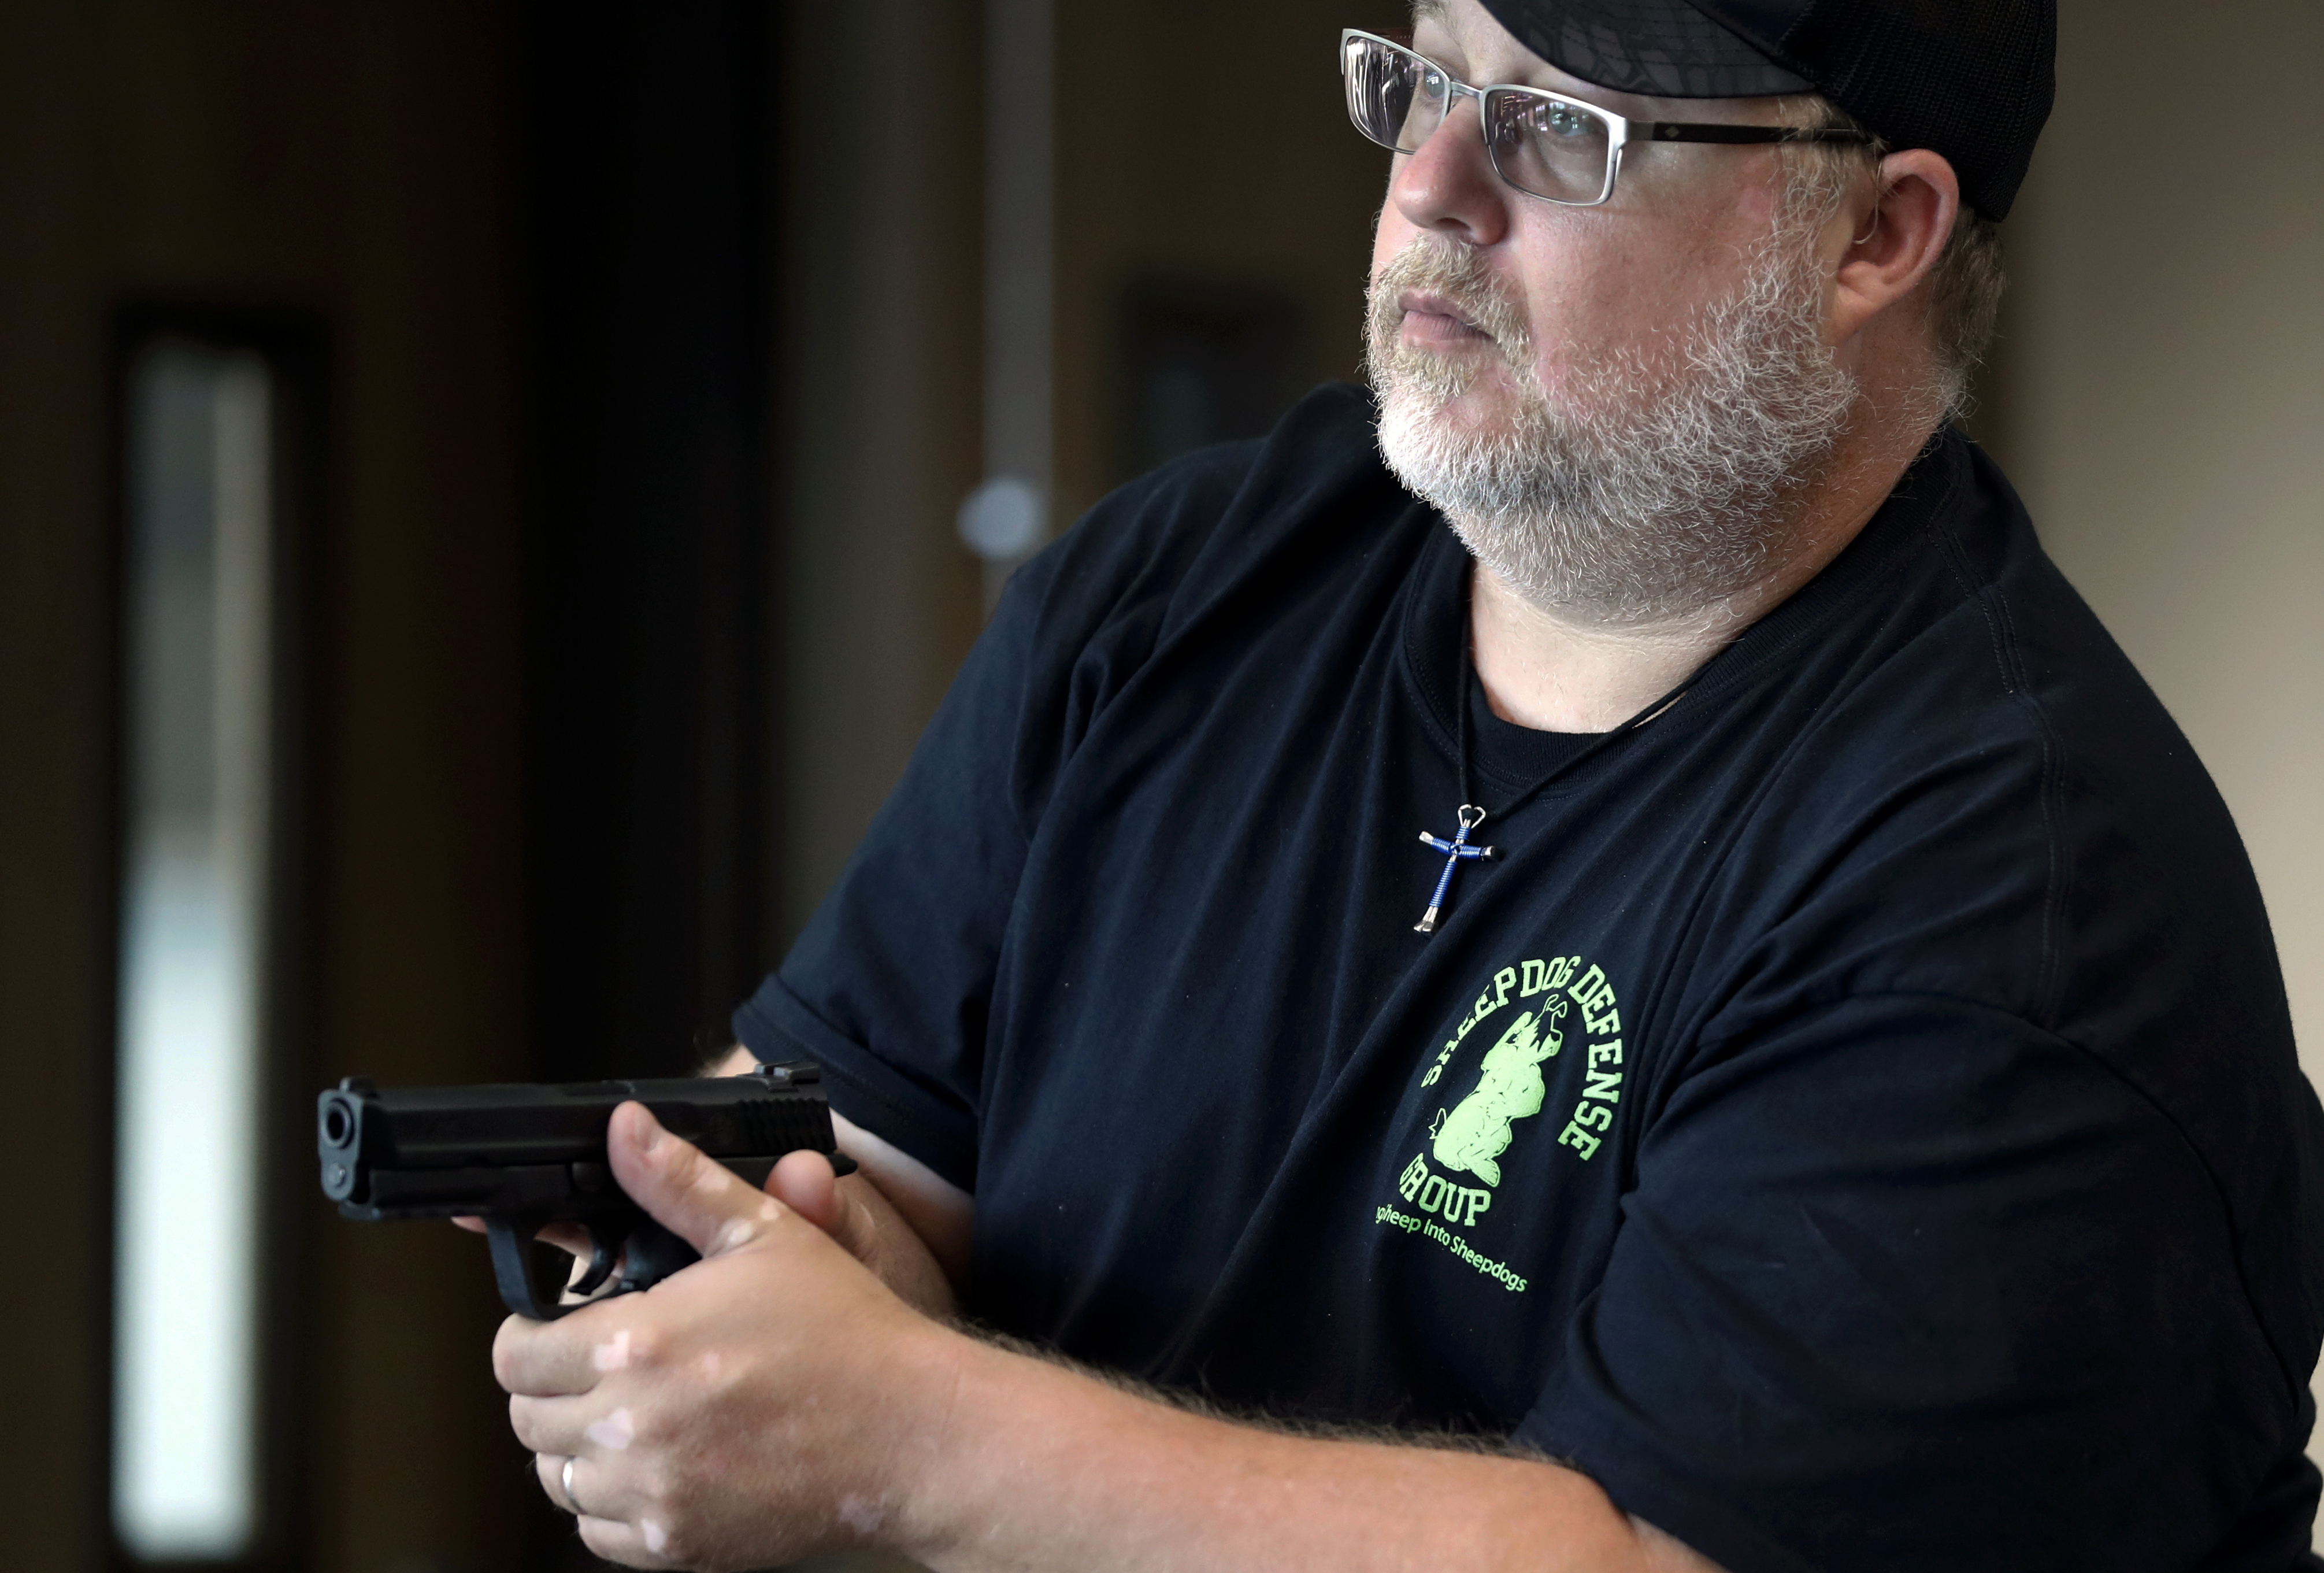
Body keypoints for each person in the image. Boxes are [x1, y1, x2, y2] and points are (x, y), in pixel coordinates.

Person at [489, 1, 2324, 1568]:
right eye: (1418, 74)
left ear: (1871, 236)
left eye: (1552, 125)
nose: (1433, 187)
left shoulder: (2009, 883)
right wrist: (756, 1278)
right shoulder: (1185, 587)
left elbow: (1649, 1554)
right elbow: (867, 1159)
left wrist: (902, 1435)